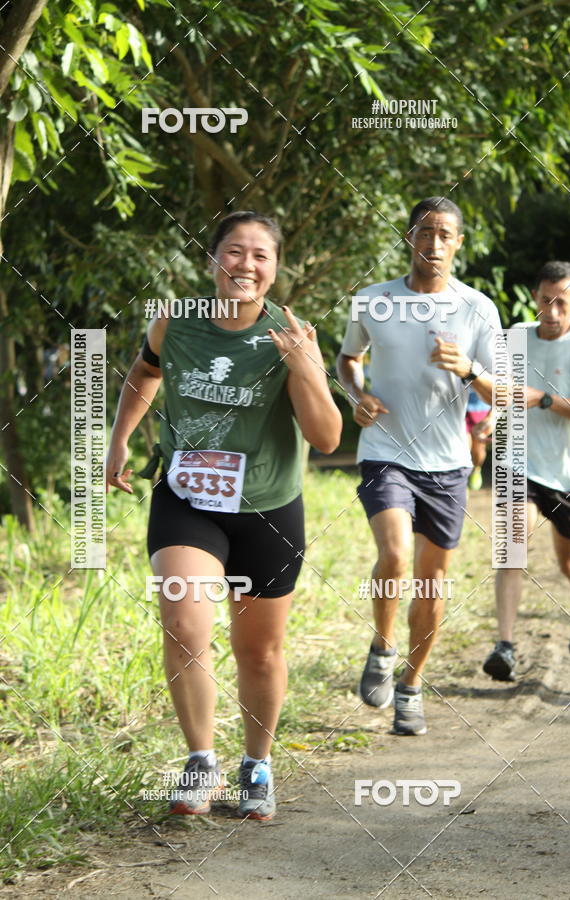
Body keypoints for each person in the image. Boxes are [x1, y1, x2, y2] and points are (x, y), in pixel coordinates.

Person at [106, 210, 342, 819]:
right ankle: (201, 762)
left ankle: (256, 766)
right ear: (213, 259)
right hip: (188, 500)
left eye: (261, 255)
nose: (246, 265)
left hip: (268, 508)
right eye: (234, 251)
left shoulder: (291, 334)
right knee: (185, 624)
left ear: (275, 269)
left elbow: (326, 438)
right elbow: (145, 372)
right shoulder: (175, 322)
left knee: (258, 650)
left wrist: (304, 366)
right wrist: (120, 438)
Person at [336, 197, 502, 735]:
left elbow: (501, 391)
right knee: (395, 554)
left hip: (448, 464)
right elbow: (347, 359)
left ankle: (410, 685)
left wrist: (467, 367)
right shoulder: (373, 300)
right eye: (424, 232)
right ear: (409, 237)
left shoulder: (478, 308)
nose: (433, 243)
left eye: (444, 234)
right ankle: (383, 646)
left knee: (432, 582)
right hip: (385, 452)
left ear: (458, 243)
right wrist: (356, 395)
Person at [480, 261, 570, 682]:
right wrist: (488, 419)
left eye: (562, 303)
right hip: (520, 462)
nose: (552, 311)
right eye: (546, 301)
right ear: (534, 298)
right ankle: (505, 646)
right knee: (511, 547)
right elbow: (500, 392)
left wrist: (543, 399)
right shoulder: (515, 337)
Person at [465, 389, 490, 490]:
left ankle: (476, 469)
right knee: (463, 447)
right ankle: (463, 479)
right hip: (457, 408)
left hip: (480, 407)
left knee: (478, 450)